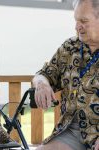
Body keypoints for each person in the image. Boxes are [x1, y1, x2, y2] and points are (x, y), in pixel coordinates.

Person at [32, 0, 99, 150]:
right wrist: (41, 84)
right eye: (76, 20)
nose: (77, 27)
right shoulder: (70, 47)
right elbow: (42, 74)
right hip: (71, 133)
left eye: (84, 21)